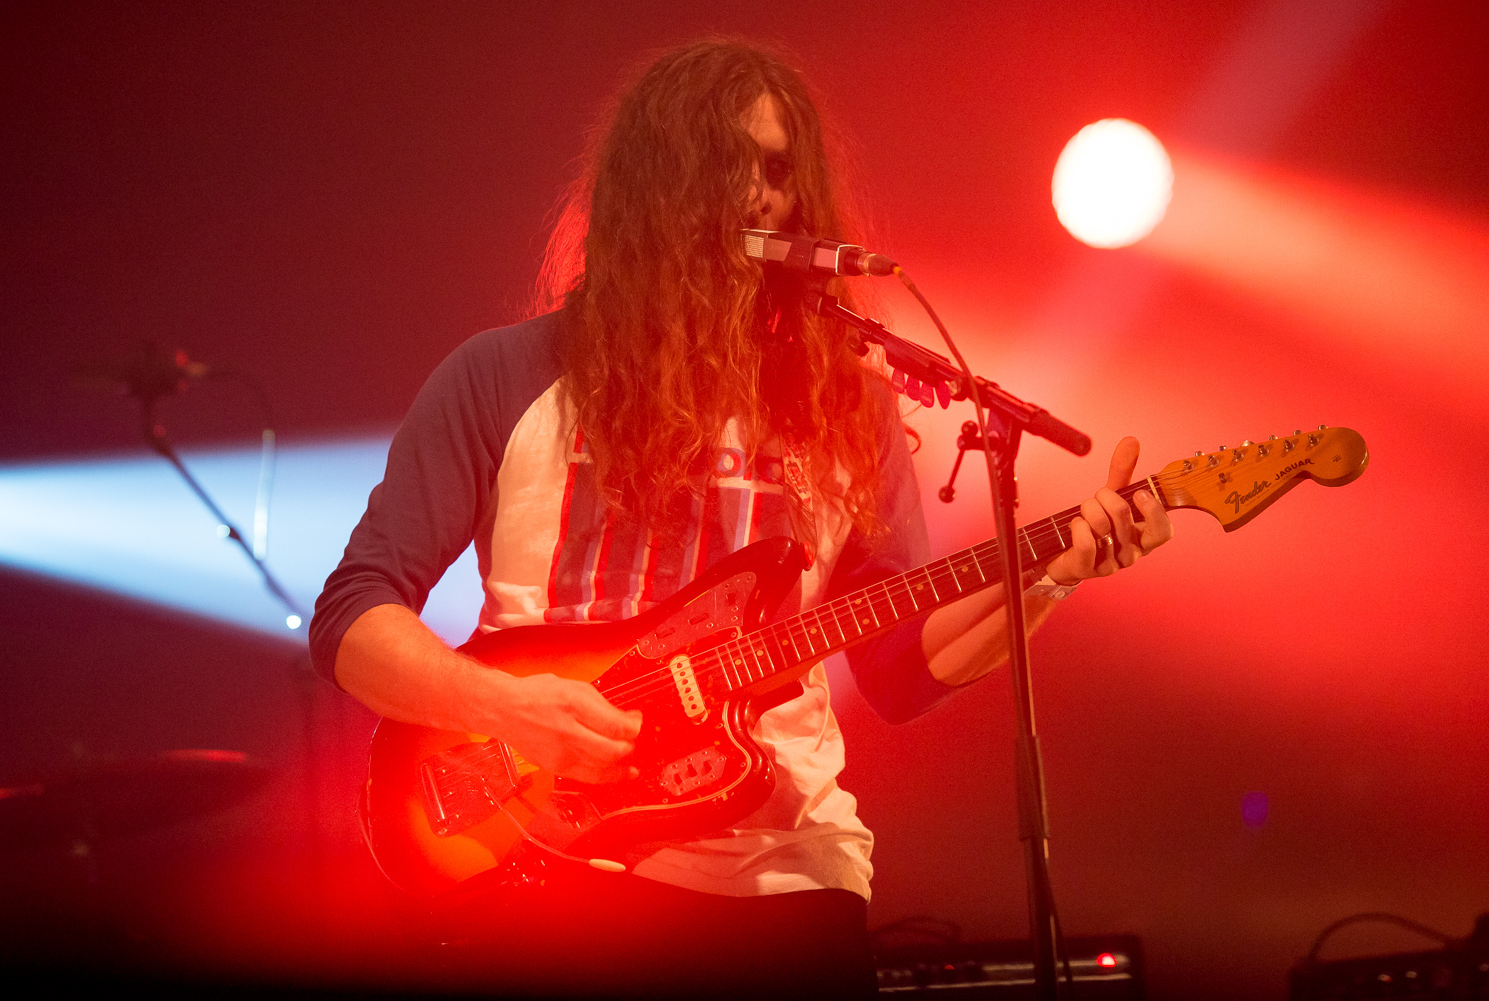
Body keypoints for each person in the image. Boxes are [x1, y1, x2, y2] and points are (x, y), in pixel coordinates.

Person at [310, 38, 1172, 999]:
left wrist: (1053, 570)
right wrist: (508, 707)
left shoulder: (848, 402)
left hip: (790, 883)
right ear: (654, 188)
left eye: (779, 168)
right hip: (557, 873)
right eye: (733, 164)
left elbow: (896, 670)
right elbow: (352, 617)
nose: (764, 195)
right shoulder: (505, 375)